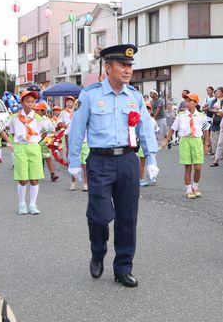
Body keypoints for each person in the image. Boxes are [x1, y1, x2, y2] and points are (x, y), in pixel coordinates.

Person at [68, 44, 159, 288]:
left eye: (130, 66)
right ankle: (98, 251)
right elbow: (76, 130)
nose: (127, 70)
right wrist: (74, 161)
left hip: (128, 160)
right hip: (100, 160)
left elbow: (145, 129)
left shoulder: (135, 97)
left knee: (127, 218)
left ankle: (123, 268)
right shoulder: (90, 95)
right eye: (122, 65)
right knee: (99, 216)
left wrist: (151, 158)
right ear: (108, 67)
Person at [6, 90, 45, 215]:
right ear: (21, 102)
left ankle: (33, 205)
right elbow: (5, 130)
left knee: (34, 178)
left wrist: (38, 142)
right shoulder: (14, 118)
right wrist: (11, 143)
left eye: (33, 102)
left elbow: (47, 131)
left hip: (34, 147)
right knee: (23, 178)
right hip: (21, 147)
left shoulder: (39, 118)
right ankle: (22, 204)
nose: (30, 104)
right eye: (27, 101)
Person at [161, 93, 205, 198]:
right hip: (185, 141)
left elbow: (206, 130)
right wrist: (165, 140)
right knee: (188, 166)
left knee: (198, 167)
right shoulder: (181, 115)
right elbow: (172, 129)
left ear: (195, 103)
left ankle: (195, 186)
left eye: (190, 101)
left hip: (197, 140)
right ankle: (188, 189)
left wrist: (206, 144)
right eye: (186, 101)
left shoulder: (201, 116)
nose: (187, 103)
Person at [33, 101, 59, 184]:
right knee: (35, 158)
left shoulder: (47, 121)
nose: (36, 111)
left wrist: (54, 140)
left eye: (38, 110)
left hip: (44, 142)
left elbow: (53, 131)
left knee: (48, 158)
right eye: (35, 110)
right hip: (34, 141)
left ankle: (52, 174)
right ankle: (36, 173)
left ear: (43, 111)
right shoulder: (32, 119)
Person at [203, 86, 216, 155]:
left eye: (209, 90)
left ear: (212, 91)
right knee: (207, 132)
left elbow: (213, 107)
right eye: (207, 90)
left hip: (213, 117)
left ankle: (211, 148)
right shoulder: (206, 99)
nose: (208, 92)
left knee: (212, 133)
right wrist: (205, 107)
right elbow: (203, 108)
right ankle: (208, 147)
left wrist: (208, 108)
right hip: (207, 117)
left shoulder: (214, 99)